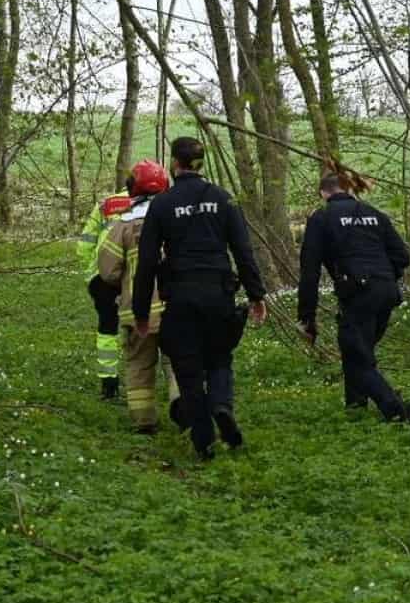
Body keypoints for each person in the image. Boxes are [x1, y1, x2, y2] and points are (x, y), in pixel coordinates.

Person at [131, 136, 269, 460]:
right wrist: (256, 295)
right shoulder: (224, 199)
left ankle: (204, 442)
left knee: (188, 368)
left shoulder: (162, 204)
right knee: (220, 359)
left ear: (174, 164)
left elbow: (148, 261)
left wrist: (140, 311)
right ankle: (222, 405)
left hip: (180, 297)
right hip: (218, 293)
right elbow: (243, 251)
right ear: (201, 162)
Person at [296, 170, 410, 424]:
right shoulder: (375, 214)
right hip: (386, 292)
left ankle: (395, 410)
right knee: (359, 351)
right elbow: (403, 257)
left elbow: (310, 271)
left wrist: (307, 317)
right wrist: (383, 276)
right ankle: (355, 404)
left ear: (323, 193)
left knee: (356, 355)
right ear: (349, 190)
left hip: (358, 294)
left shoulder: (322, 218)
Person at [94, 159, 174, 433]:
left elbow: (107, 270)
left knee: (139, 364)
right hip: (175, 306)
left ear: (132, 188)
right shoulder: (177, 219)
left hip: (136, 311)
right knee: (178, 359)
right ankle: (182, 403)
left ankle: (144, 422)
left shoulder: (123, 225)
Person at [76, 182, 134, 400]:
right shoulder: (155, 204)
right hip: (135, 277)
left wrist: (92, 274)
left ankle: (108, 384)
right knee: (139, 327)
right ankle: (139, 382)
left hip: (102, 277)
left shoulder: (106, 204)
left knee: (107, 328)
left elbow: (84, 245)